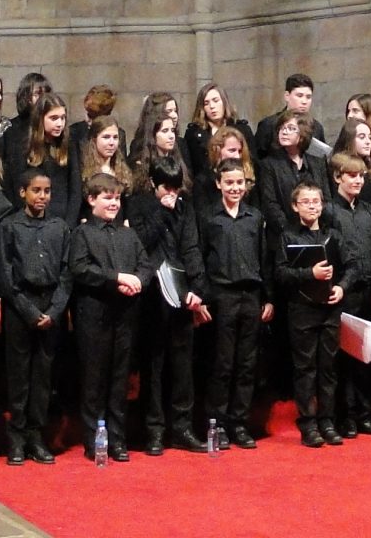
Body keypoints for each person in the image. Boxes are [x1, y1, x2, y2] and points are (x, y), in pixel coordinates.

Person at [129, 155, 209, 454]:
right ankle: (153, 429)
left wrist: (198, 287)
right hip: (151, 294)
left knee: (182, 364)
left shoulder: (185, 208)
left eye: (176, 189)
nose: (171, 194)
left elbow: (191, 247)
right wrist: (161, 213)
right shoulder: (138, 205)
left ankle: (182, 428)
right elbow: (141, 242)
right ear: (153, 183)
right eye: (166, 188)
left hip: (181, 292)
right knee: (153, 363)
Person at [67, 171, 146, 460]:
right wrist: (117, 279)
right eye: (107, 198)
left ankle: (118, 440)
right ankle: (94, 440)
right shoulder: (82, 233)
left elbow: (145, 265)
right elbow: (80, 268)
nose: (114, 203)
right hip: (94, 315)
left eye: (117, 198)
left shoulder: (128, 234)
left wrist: (137, 281)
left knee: (119, 379)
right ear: (91, 200)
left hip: (124, 314)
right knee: (94, 379)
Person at [0, 168, 69, 464]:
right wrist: (28, 310)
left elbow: (66, 272)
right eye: (36, 191)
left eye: (47, 191)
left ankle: (36, 435)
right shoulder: (10, 226)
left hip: (50, 305)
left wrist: (54, 310)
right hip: (20, 306)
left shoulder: (59, 227)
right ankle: (16, 436)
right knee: (19, 373)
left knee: (43, 375)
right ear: (22, 192)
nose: (42, 196)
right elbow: (5, 273)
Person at [198, 159, 268, 447]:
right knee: (223, 364)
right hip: (222, 296)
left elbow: (264, 258)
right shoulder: (209, 217)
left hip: (251, 295)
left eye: (240, 182)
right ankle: (218, 425)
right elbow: (201, 258)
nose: (235, 188)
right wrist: (203, 296)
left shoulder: (255, 217)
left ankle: (239, 424)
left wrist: (267, 297)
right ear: (219, 184)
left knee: (247, 364)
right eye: (229, 182)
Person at [274, 180, 347, 446]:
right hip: (302, 310)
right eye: (306, 202)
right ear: (295, 206)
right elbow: (280, 273)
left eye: (316, 201)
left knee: (328, 368)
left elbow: (352, 266)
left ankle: (327, 421)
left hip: (330, 309)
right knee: (305, 368)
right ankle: (308, 424)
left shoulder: (333, 235)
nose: (312, 206)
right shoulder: (288, 236)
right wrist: (310, 274)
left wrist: (342, 287)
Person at [324, 152, 371, 438]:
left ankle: (364, 414)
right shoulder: (329, 210)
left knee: (366, 357)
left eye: (361, 175)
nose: (358, 180)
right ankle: (345, 416)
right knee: (343, 359)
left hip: (369, 290)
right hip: (344, 292)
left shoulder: (368, 210)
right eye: (352, 175)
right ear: (338, 177)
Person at [256, 110, 327, 231]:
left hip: (316, 231)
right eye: (282, 128)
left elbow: (326, 198)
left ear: (303, 133)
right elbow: (270, 204)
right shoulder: (269, 165)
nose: (284, 132)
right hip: (283, 232)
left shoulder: (317, 163)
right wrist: (289, 231)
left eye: (291, 128)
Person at [21, 92, 78, 223]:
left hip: (63, 218)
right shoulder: (27, 146)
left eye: (63, 118)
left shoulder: (68, 145)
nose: (59, 124)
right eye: (54, 118)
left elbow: (75, 188)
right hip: (35, 219)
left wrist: (70, 223)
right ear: (40, 118)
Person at [184, 81, 253, 182]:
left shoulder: (242, 129)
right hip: (205, 184)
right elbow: (190, 168)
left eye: (215, 100)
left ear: (224, 102)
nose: (212, 106)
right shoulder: (193, 133)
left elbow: (252, 162)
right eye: (206, 103)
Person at [254, 73, 325, 159]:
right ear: (287, 96)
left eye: (308, 97)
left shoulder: (316, 127)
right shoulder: (269, 124)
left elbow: (321, 158)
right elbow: (257, 158)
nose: (304, 101)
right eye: (299, 96)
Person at [0, 72, 50, 179]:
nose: (43, 99)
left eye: (46, 94)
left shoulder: (50, 127)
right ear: (27, 97)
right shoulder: (11, 130)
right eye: (37, 94)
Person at [78, 113, 131, 192]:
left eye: (115, 137)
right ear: (94, 140)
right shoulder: (83, 171)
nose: (112, 142)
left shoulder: (122, 172)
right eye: (106, 137)